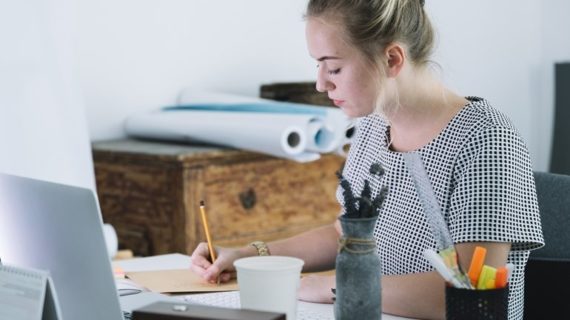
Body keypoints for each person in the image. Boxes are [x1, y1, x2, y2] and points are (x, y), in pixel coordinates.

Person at [190, 1, 544, 319]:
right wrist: (251, 256)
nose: (319, 84)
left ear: (392, 59)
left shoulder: (485, 137)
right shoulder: (374, 127)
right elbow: (346, 234)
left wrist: (336, 286)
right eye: (318, 66)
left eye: (334, 68)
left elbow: (472, 292)